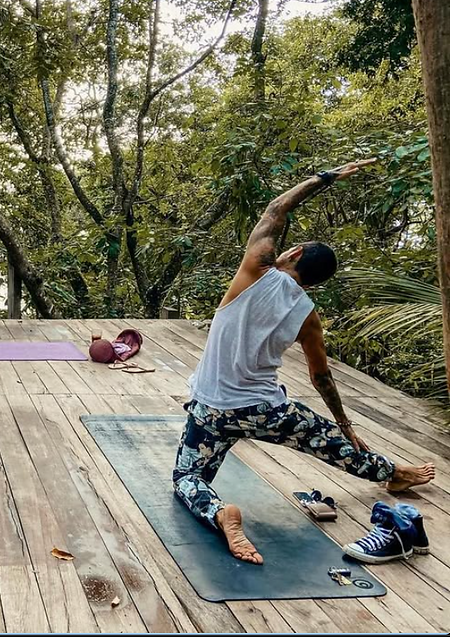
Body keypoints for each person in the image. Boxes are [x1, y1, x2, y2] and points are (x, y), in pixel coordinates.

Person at [171, 160, 435, 565]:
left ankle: (220, 513)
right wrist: (346, 426)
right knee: (327, 440)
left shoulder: (254, 270)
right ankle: (392, 473)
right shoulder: (308, 315)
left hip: (209, 408)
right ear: (313, 283)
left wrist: (326, 177)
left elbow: (277, 209)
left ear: (291, 253)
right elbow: (321, 377)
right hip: (265, 410)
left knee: (187, 478)